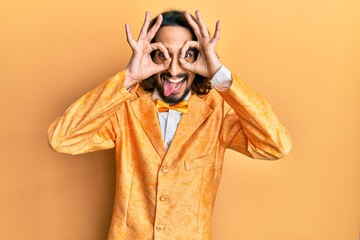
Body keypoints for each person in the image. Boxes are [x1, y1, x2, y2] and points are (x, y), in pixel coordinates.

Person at [48, 9, 292, 240]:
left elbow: (276, 145)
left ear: (200, 57)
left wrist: (219, 74)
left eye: (187, 55)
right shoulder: (125, 108)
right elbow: (62, 138)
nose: (174, 69)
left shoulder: (217, 112)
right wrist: (128, 78)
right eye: (162, 54)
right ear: (150, 56)